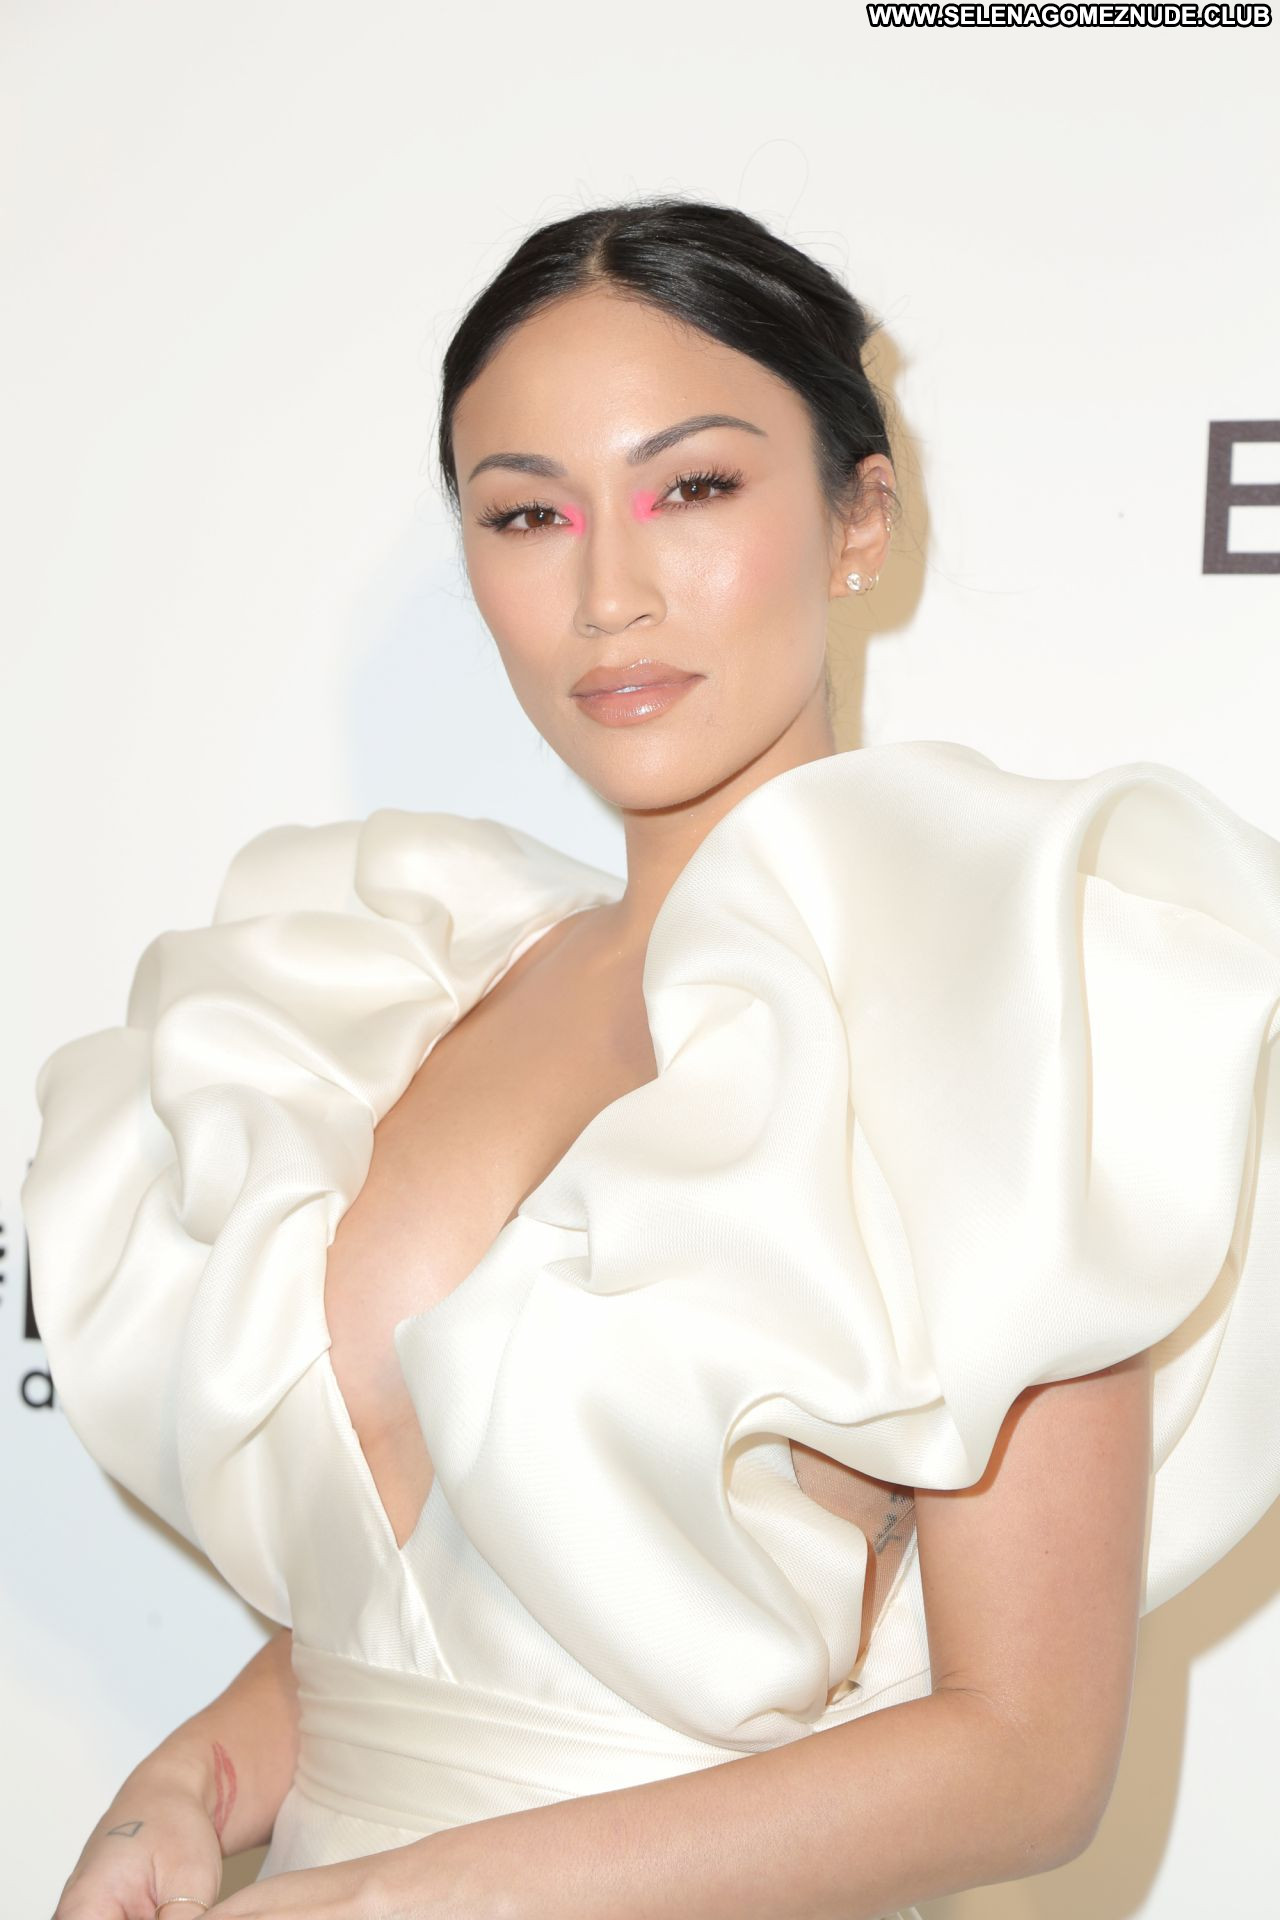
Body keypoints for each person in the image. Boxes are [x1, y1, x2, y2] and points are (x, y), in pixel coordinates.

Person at [22, 197, 1280, 1920]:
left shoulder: (1010, 1000)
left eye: (692, 488)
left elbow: (1027, 1757)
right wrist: (193, 1784)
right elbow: (439, 1620)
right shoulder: (417, 992)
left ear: (858, 516)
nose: (610, 595)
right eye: (528, 514)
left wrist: (402, 1905)